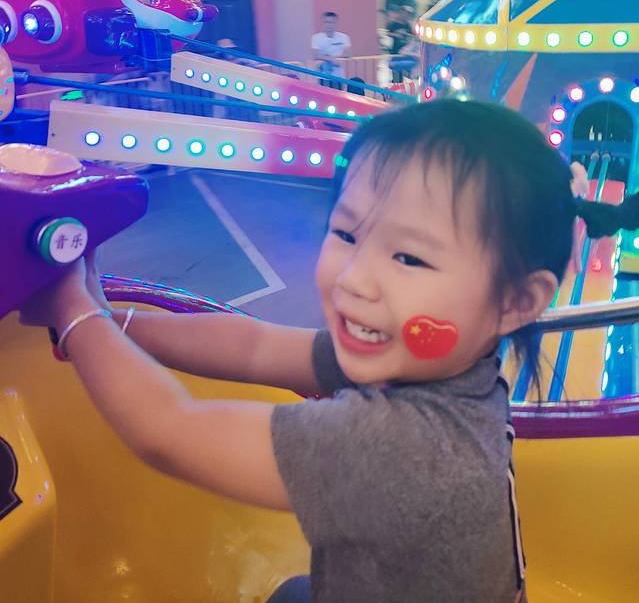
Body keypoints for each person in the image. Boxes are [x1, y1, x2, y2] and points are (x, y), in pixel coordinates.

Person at [18, 99, 639, 602]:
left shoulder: (405, 448)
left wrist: (76, 316)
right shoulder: (440, 361)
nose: (354, 278)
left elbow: (169, 432)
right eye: (346, 233)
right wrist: (117, 322)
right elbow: (257, 347)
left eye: (409, 257)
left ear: (516, 302)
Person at [311, 11, 351, 88]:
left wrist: (329, 57)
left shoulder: (344, 37)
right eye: (327, 22)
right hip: (322, 75)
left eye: (332, 22)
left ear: (336, 23)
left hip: (338, 76)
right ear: (323, 23)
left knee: (339, 94)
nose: (329, 25)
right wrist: (331, 59)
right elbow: (316, 55)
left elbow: (348, 53)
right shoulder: (316, 38)